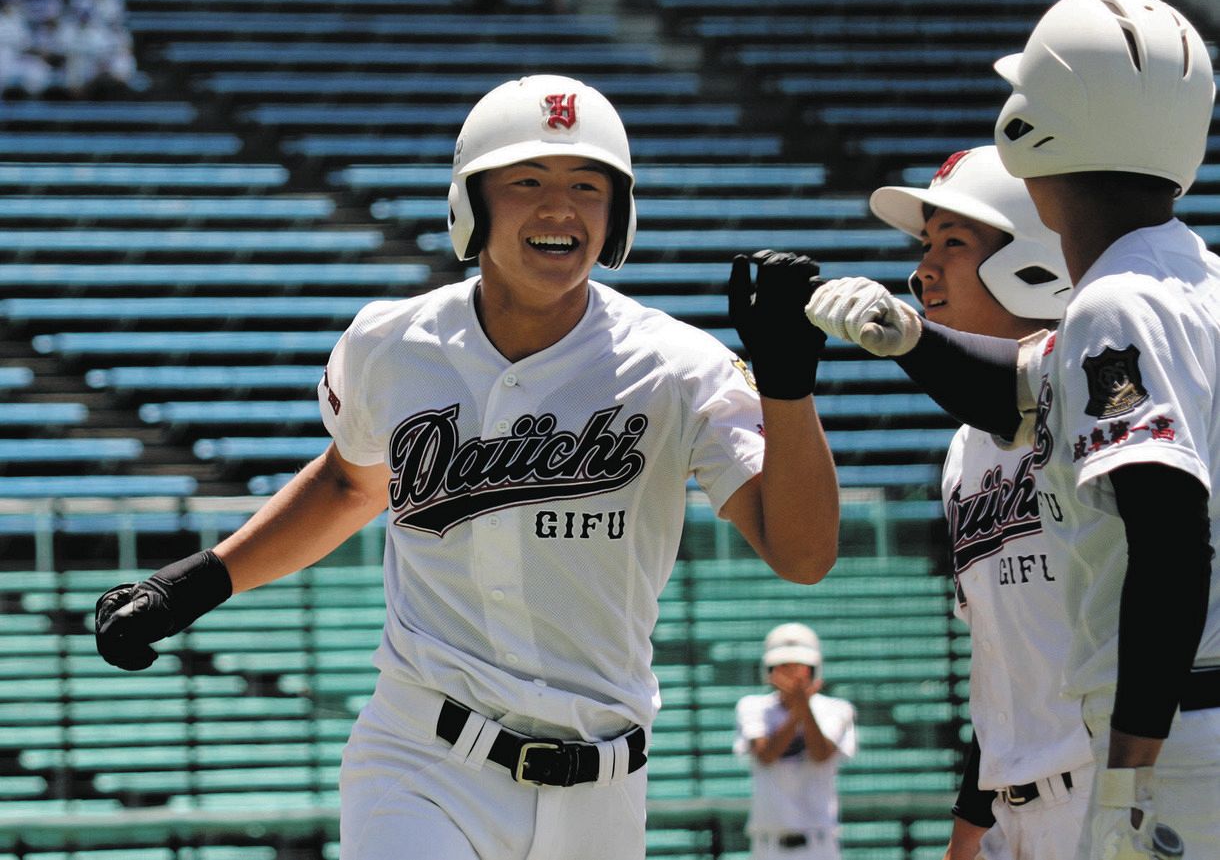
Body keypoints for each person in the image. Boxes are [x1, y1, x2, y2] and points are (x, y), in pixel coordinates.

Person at [93, 74, 840, 860]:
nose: (560, 209)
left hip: (605, 787)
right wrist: (190, 586)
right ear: (470, 203)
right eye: (527, 182)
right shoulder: (391, 342)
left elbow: (802, 553)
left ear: (618, 213)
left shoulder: (679, 365)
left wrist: (789, 391)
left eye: (588, 185)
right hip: (421, 758)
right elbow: (350, 482)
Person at [805, 0, 1219, 859]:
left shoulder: (1116, 298)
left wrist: (1128, 775)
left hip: (1169, 742)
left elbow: (1171, 537)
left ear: (1034, 130)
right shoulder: (1194, 280)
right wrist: (908, 336)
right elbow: (1021, 390)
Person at [870, 145, 1092, 860]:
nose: (921, 270)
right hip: (1011, 807)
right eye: (924, 245)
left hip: (1112, 786)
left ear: (1030, 255)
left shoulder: (1099, 388)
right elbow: (1003, 667)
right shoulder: (964, 448)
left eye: (953, 243)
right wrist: (970, 825)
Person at [734, 623, 856, 860]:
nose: (792, 674)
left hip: (819, 844)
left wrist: (803, 707)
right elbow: (766, 755)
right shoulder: (752, 707)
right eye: (784, 667)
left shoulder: (836, 709)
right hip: (768, 846)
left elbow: (821, 754)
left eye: (799, 667)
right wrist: (798, 710)